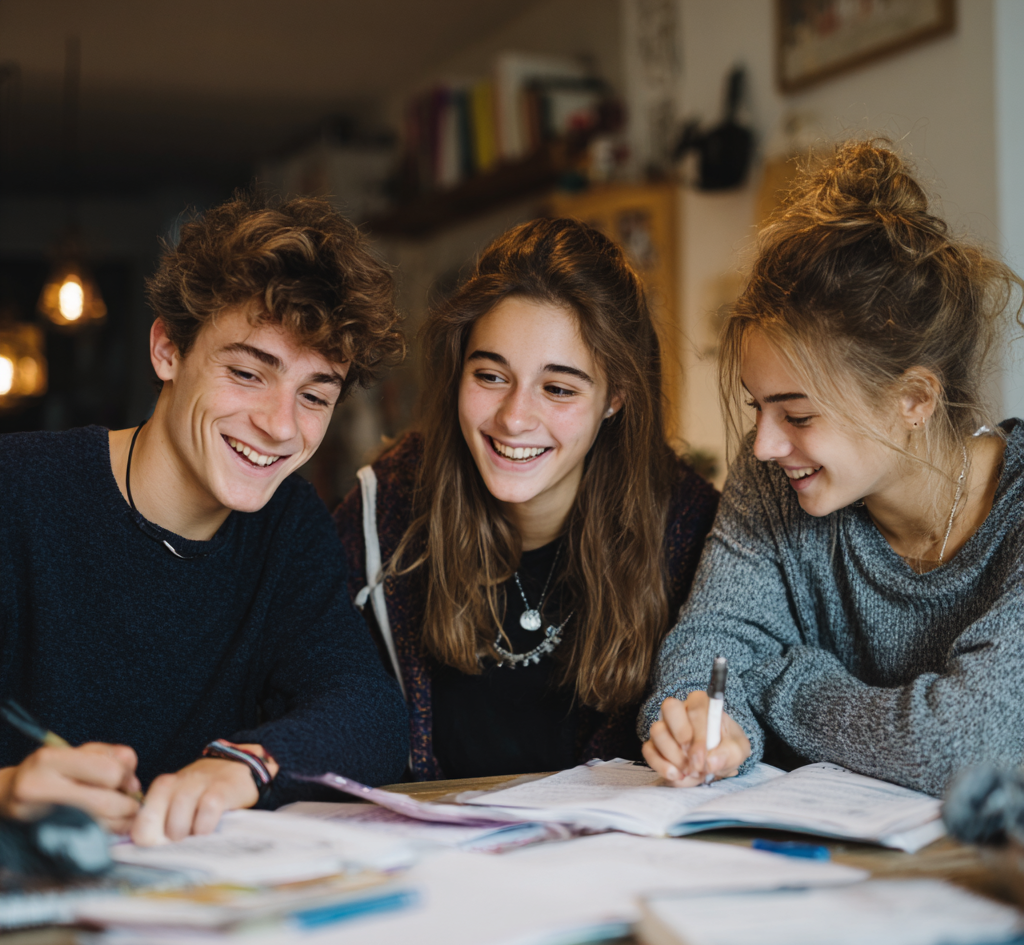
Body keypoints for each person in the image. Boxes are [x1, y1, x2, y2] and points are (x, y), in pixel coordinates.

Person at [0, 192, 410, 844]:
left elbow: (370, 713)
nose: (280, 426)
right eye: (248, 373)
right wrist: (6, 788)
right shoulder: (17, 491)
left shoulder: (289, 525)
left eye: (314, 395)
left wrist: (247, 767)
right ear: (168, 350)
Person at [640, 141, 1024, 799]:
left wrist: (781, 683)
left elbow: (966, 744)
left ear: (914, 399)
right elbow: (702, 657)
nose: (762, 445)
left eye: (797, 414)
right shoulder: (778, 482)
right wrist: (705, 724)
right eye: (757, 407)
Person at [336, 218, 718, 780]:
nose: (514, 418)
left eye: (558, 388)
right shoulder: (385, 506)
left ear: (615, 397)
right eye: (491, 376)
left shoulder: (690, 529)